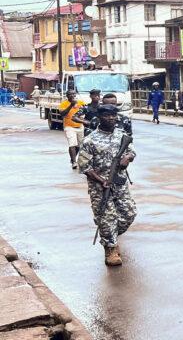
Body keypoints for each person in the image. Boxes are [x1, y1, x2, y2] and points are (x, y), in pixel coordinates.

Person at [78, 104, 136, 267]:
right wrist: (101, 180)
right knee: (106, 216)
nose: (111, 118)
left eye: (113, 115)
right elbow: (85, 166)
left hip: (120, 183)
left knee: (129, 214)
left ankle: (110, 236)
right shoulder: (90, 140)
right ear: (99, 117)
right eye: (107, 115)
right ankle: (110, 248)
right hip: (100, 187)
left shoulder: (121, 135)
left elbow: (132, 151)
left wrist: (127, 158)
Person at [59, 90, 86, 168]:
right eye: (70, 94)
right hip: (69, 127)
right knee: (72, 144)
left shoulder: (80, 102)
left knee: (79, 145)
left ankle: (72, 158)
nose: (72, 95)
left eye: (74, 94)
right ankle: (74, 162)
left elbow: (85, 111)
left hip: (80, 126)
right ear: (67, 96)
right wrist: (71, 105)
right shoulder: (64, 104)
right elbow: (62, 114)